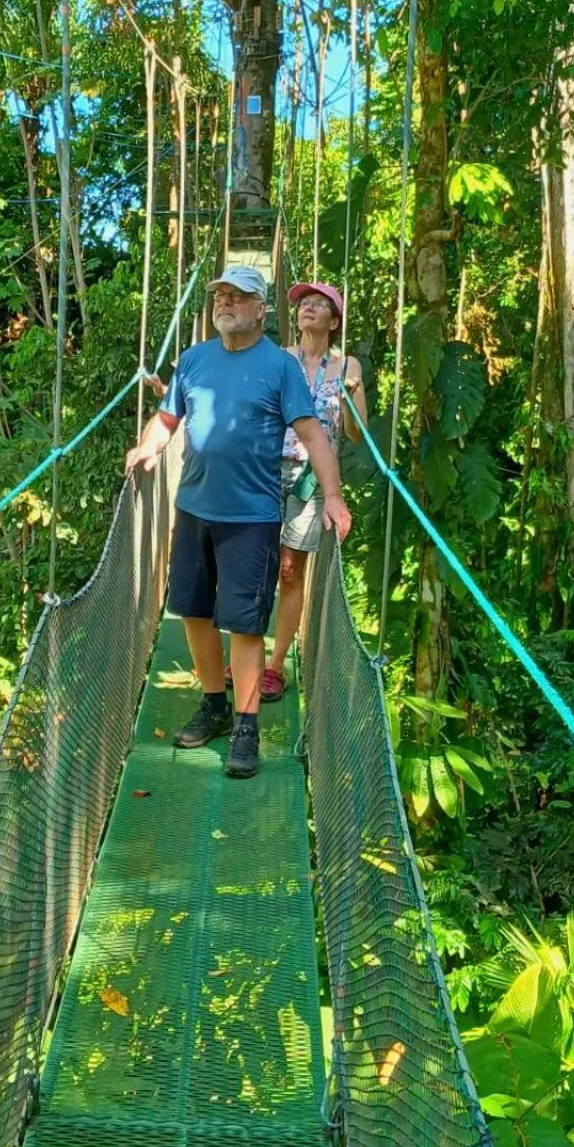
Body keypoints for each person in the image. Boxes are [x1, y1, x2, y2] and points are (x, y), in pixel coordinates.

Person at [126, 265, 351, 779]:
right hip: (194, 509)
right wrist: (148, 448)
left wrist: (333, 498)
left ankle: (247, 726)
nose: (224, 303)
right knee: (194, 612)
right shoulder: (194, 361)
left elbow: (315, 437)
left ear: (261, 309)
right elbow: (167, 418)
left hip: (251, 516)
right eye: (219, 295)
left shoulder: (279, 366)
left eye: (238, 296)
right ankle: (214, 705)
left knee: (245, 624)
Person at [259, 281, 367, 702]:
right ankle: (247, 652)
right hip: (265, 470)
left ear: (334, 321)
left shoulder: (346, 365)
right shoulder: (276, 359)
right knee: (256, 562)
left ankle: (275, 664)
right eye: (304, 303)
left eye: (319, 304)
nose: (307, 308)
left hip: (311, 477)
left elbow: (357, 435)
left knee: (289, 570)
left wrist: (353, 397)